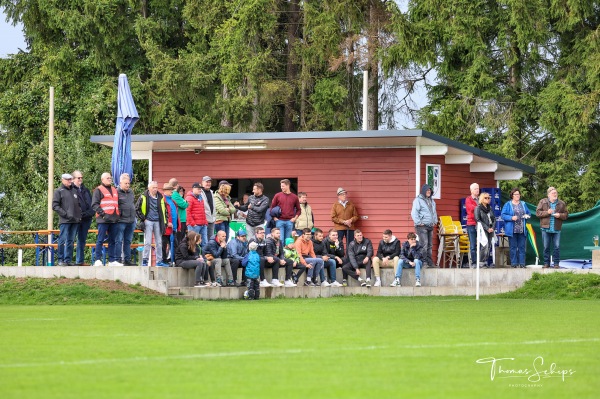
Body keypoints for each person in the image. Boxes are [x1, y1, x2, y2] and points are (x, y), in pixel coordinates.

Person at [91, 172, 121, 267]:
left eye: (110, 178)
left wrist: (118, 215)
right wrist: (103, 215)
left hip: (114, 218)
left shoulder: (114, 190)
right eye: (107, 178)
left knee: (113, 240)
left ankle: (112, 260)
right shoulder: (98, 190)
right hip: (103, 219)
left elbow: (117, 203)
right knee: (100, 239)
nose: (109, 179)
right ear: (102, 179)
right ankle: (98, 260)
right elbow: (94, 204)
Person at [136, 181, 168, 267]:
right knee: (148, 242)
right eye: (153, 187)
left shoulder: (160, 197)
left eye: (156, 187)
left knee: (159, 242)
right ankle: (145, 260)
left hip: (158, 221)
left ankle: (159, 261)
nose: (155, 189)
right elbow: (137, 208)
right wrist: (143, 218)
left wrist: (165, 222)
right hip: (148, 221)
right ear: (149, 188)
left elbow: (164, 211)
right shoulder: (143, 196)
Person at [52, 173, 82, 266]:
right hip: (65, 221)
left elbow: (79, 204)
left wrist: (79, 215)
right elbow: (55, 206)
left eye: (70, 179)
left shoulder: (74, 191)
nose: (69, 181)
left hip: (75, 220)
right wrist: (65, 214)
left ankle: (68, 260)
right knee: (62, 240)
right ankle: (60, 259)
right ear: (63, 180)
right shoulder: (58, 191)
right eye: (67, 179)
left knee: (71, 240)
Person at [536, 187, 568, 268]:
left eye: (556, 193)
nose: (555, 194)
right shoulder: (543, 201)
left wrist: (559, 215)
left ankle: (556, 264)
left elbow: (566, 215)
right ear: (548, 195)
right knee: (546, 247)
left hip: (556, 229)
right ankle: (546, 263)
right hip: (545, 228)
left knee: (556, 247)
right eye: (553, 193)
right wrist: (547, 212)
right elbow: (538, 213)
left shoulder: (561, 203)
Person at [501, 188, 531, 268]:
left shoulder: (523, 204)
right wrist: (511, 218)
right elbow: (503, 215)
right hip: (512, 230)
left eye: (518, 194)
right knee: (513, 247)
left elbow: (529, 213)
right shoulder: (508, 204)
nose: (518, 196)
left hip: (522, 229)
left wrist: (527, 216)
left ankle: (522, 264)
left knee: (522, 247)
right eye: (516, 194)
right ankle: (514, 264)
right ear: (512, 195)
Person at [411, 184, 438, 268]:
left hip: (430, 225)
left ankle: (429, 262)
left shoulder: (431, 201)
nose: (428, 192)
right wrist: (419, 222)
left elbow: (434, 212)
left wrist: (435, 221)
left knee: (430, 245)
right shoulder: (418, 200)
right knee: (424, 244)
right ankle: (424, 262)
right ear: (423, 191)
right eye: (427, 190)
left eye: (430, 190)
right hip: (421, 226)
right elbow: (414, 212)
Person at [72, 170, 93, 266]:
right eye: (78, 178)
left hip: (86, 219)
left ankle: (80, 260)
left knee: (82, 240)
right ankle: (67, 260)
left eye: (81, 177)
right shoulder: (71, 190)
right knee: (70, 239)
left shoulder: (85, 190)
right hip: (75, 219)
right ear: (73, 179)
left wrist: (89, 213)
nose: (80, 179)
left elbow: (91, 203)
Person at [115, 173, 137, 266]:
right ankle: (118, 259)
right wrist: (119, 216)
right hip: (121, 220)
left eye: (128, 183)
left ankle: (127, 259)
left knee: (128, 240)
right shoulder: (116, 192)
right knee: (119, 240)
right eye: (126, 183)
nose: (128, 185)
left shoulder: (131, 192)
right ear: (120, 183)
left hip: (131, 220)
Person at [474, 192, 496, 268]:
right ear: (482, 199)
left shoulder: (490, 208)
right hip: (482, 229)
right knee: (485, 245)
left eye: (489, 198)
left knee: (489, 245)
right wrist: (486, 228)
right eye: (486, 198)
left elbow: (494, 219)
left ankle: (485, 261)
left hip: (490, 228)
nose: (488, 199)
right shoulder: (478, 208)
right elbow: (478, 219)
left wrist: (492, 228)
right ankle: (481, 262)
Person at [186, 182, 209, 247]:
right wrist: (193, 223)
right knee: (193, 243)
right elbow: (187, 212)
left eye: (200, 189)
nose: (200, 190)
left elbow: (203, 211)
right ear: (193, 188)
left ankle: (204, 256)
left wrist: (205, 222)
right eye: (198, 189)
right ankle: (193, 257)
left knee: (204, 242)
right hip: (194, 225)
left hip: (203, 224)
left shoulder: (201, 198)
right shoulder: (189, 198)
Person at [161, 183, 178, 265]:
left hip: (173, 227)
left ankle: (173, 259)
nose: (172, 191)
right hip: (165, 227)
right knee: (163, 244)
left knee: (174, 244)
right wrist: (167, 222)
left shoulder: (172, 201)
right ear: (165, 191)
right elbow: (161, 213)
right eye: (170, 190)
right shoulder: (162, 200)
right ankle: (164, 260)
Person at [169, 178, 189, 243]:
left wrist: (184, 202)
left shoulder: (174, 194)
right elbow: (184, 205)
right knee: (180, 238)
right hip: (180, 219)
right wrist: (185, 202)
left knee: (180, 238)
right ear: (177, 185)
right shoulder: (175, 194)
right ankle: (177, 252)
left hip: (182, 219)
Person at [465, 183, 479, 268]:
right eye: (475, 189)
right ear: (471, 190)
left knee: (482, 244)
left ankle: (481, 261)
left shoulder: (480, 199)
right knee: (473, 245)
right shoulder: (468, 199)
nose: (477, 190)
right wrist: (478, 207)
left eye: (478, 188)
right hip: (471, 224)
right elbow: (471, 209)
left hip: (481, 224)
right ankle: (474, 262)